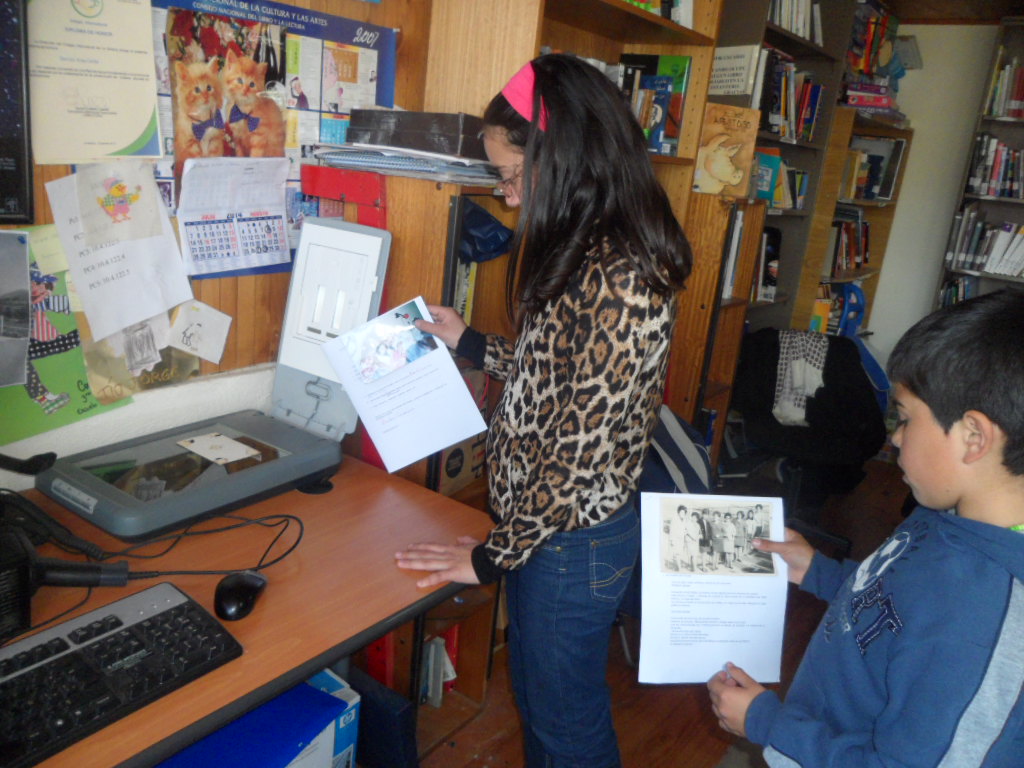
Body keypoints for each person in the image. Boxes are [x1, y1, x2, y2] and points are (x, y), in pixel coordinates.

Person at [394, 53, 692, 767]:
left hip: (569, 539)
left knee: (566, 725)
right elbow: (556, 376)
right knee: (541, 702)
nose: (506, 198)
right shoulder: (590, 246)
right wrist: (470, 343)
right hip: (543, 532)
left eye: (511, 176)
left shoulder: (623, 273)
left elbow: (575, 450)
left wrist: (490, 558)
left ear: (564, 160)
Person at [708, 290, 1024, 767]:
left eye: (905, 418)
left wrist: (769, 724)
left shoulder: (983, 627)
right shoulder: (947, 513)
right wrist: (817, 571)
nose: (895, 436)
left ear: (973, 437)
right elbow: (892, 603)